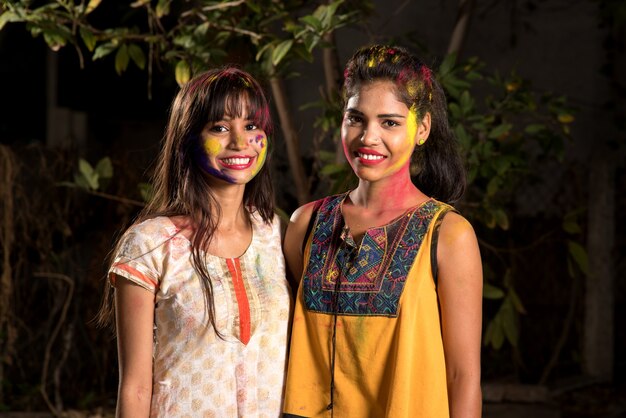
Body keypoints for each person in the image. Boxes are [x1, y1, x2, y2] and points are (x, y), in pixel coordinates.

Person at [282, 45, 483, 418]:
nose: (368, 137)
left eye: (389, 122)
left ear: (421, 128)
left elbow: (463, 375)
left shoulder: (448, 234)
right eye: (356, 119)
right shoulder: (306, 224)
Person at [97, 67, 291, 417]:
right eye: (219, 127)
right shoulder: (151, 245)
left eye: (251, 126)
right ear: (188, 138)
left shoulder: (278, 236)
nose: (239, 142)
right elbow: (136, 386)